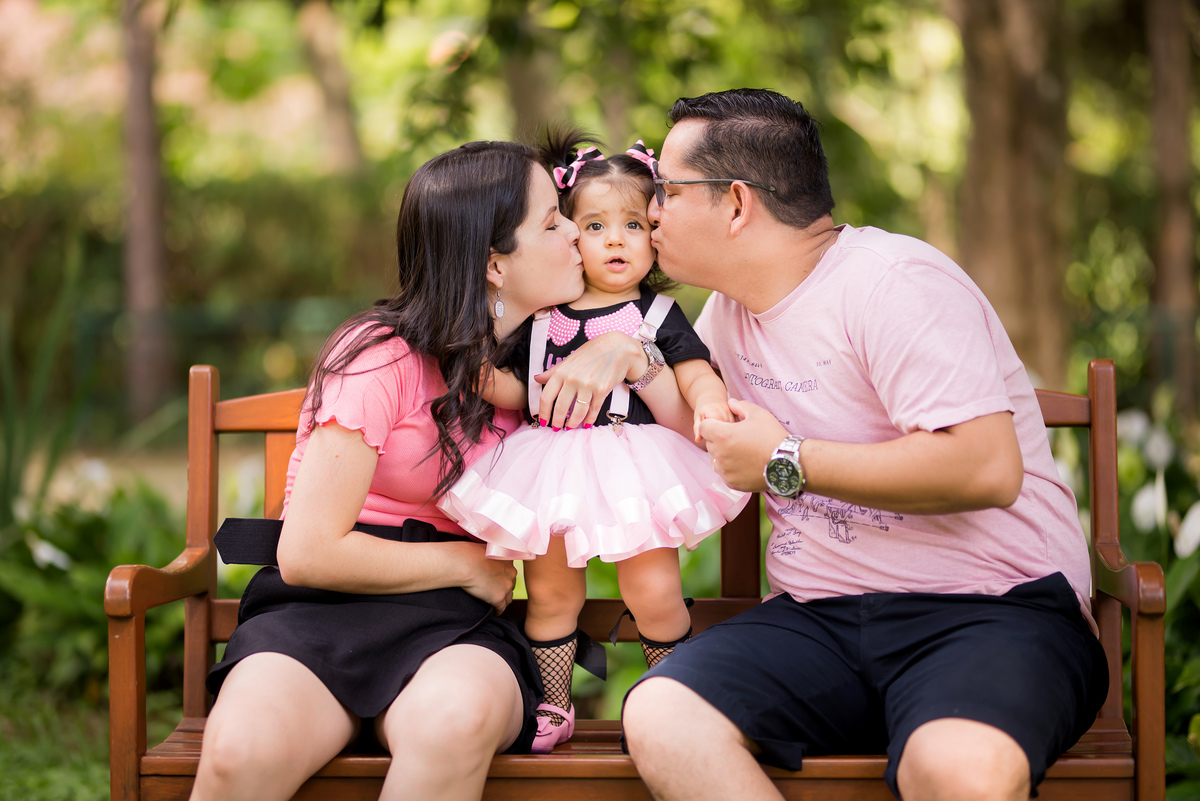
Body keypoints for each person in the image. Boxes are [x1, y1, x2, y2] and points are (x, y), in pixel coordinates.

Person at [621, 88, 1109, 801]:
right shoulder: (729, 315)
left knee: (958, 771)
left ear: (735, 203)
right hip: (819, 620)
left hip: (991, 610)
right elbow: (694, 429)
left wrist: (787, 461)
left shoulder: (895, 283)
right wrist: (617, 357)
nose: (650, 209)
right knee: (665, 714)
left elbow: (986, 465)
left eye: (666, 188)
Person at [190, 140, 665, 801]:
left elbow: (686, 433)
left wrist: (625, 350)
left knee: (453, 721)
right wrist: (466, 566)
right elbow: (307, 552)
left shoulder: (551, 362)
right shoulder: (379, 357)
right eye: (553, 222)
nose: (574, 237)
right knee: (244, 751)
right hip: (324, 609)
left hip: (458, 628)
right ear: (496, 264)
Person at [438, 130, 749, 754]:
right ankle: (556, 704)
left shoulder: (656, 316)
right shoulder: (544, 315)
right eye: (596, 225)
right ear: (569, 235)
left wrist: (711, 401)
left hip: (633, 462)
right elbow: (520, 389)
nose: (615, 239)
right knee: (551, 591)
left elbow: (691, 372)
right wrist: (473, 371)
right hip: (550, 467)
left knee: (654, 589)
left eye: (633, 225)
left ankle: (669, 694)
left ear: (654, 235)